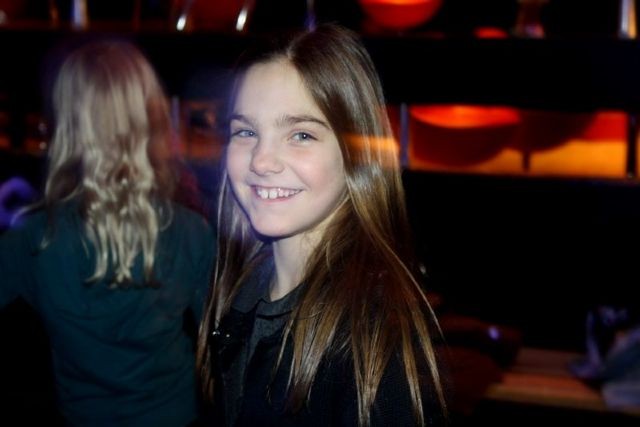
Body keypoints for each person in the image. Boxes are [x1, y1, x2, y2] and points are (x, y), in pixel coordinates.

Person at [196, 24, 447, 426]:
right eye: (246, 131)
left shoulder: (374, 339)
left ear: (354, 154)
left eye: (300, 134)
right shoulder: (241, 287)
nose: (261, 161)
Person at [0, 39, 214, 426]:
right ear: (149, 117)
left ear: (67, 122)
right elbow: (221, 346)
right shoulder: (192, 232)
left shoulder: (32, 238)